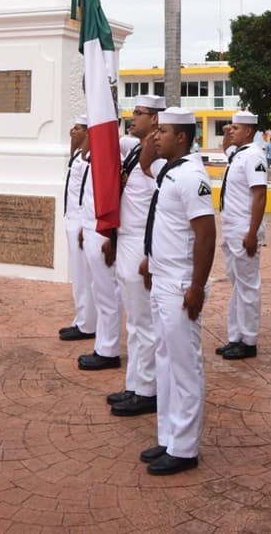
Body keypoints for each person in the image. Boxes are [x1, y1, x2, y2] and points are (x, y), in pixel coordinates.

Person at [139, 108, 216, 475]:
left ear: (182, 138)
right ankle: (168, 436)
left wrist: (197, 286)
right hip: (161, 277)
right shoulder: (168, 171)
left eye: (163, 131)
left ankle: (185, 448)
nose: (156, 136)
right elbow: (144, 162)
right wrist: (150, 259)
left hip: (181, 283)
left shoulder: (192, 177)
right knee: (166, 362)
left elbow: (205, 233)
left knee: (185, 365)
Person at [107, 95, 166, 417]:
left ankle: (149, 389)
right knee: (136, 321)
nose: (133, 118)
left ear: (155, 120)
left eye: (140, 114)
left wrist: (150, 253)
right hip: (126, 239)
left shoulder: (158, 158)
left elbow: (161, 209)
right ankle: (136, 384)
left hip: (143, 244)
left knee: (145, 321)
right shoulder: (133, 148)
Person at [216, 111, 267, 360]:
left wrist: (252, 233)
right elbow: (225, 147)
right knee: (237, 285)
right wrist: (227, 135)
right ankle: (235, 337)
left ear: (248, 131)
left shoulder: (254, 156)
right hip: (231, 229)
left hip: (244, 231)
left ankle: (249, 341)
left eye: (235, 128)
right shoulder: (237, 154)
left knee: (247, 286)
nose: (231, 131)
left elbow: (260, 195)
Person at [76, 129, 123, 371]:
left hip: (104, 232)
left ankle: (109, 349)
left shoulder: (118, 151)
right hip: (93, 228)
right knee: (99, 290)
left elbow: (117, 198)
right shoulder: (96, 153)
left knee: (108, 294)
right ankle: (103, 345)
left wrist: (111, 236)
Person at [58, 115, 96, 342]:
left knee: (84, 275)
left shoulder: (91, 159)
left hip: (81, 221)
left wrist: (84, 224)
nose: (72, 131)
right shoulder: (77, 156)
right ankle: (82, 317)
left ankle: (86, 324)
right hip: (71, 218)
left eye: (78, 128)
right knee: (78, 275)